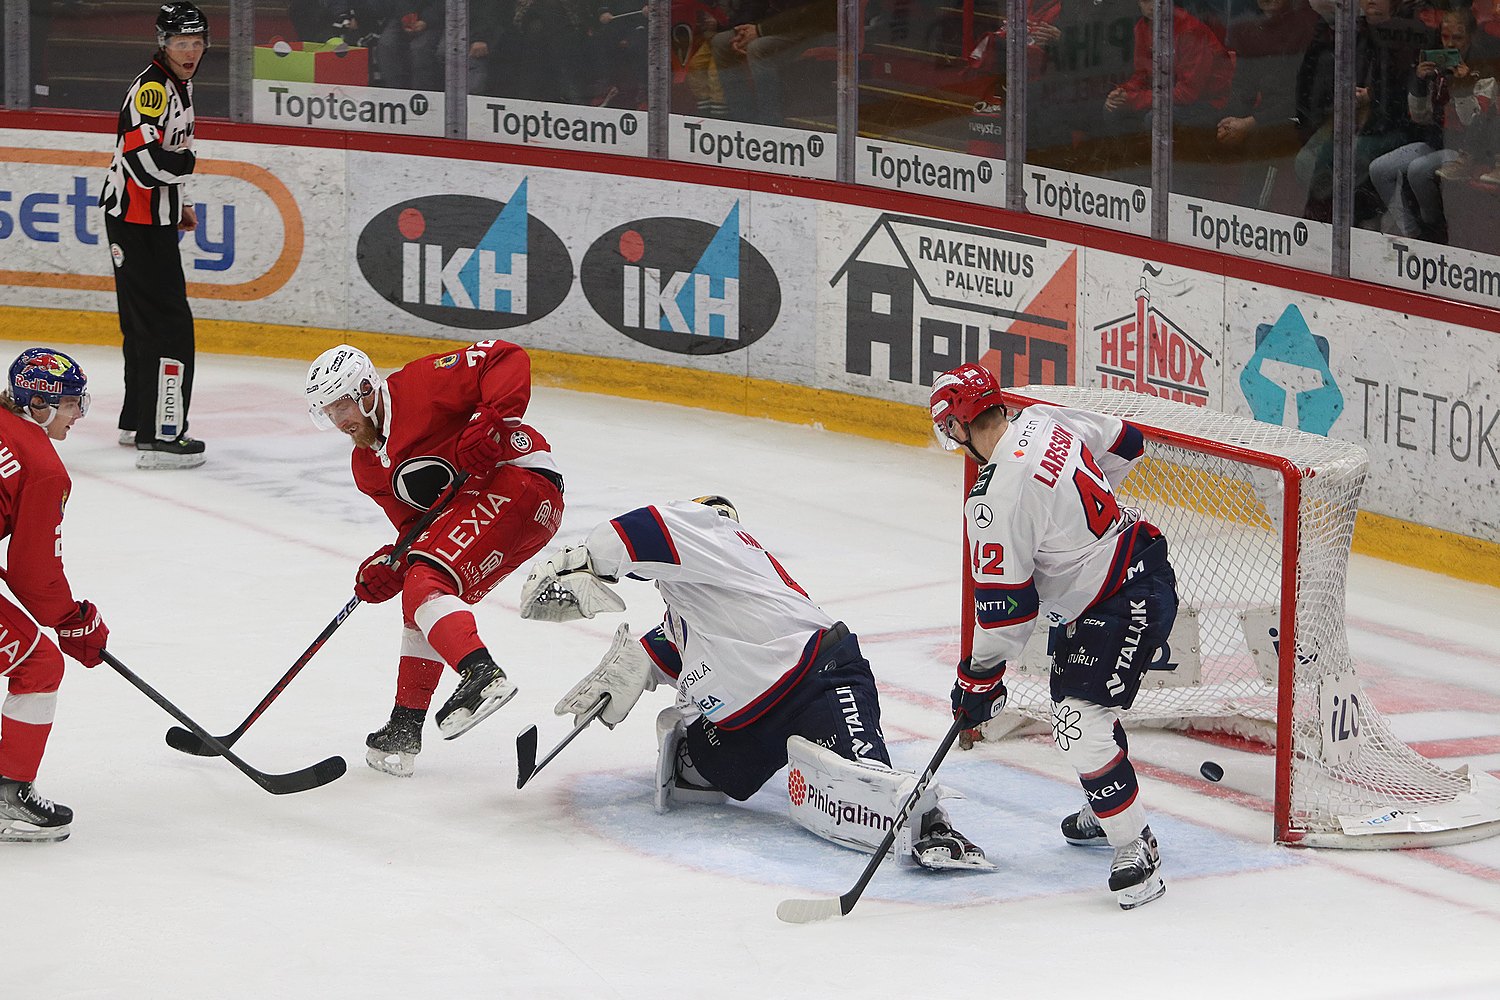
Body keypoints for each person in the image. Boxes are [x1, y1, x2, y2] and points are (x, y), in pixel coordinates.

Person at [517, 496, 991, 870]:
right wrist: (630, 668)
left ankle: (932, 826)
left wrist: (580, 560)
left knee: (863, 784)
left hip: (818, 679)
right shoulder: (694, 602)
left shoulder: (708, 530)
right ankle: (702, 748)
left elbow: (642, 530)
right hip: (753, 718)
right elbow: (665, 646)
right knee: (704, 775)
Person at [929, 363, 1179, 910]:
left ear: (965, 423)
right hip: (1122, 572)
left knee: (1077, 722)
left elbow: (1009, 615)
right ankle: (1106, 802)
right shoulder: (1044, 420)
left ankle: (1137, 845)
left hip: (1122, 593)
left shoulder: (993, 501)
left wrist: (977, 680)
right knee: (1083, 712)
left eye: (951, 428)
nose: (953, 440)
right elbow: (1128, 443)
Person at [305, 341, 564, 777]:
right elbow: (418, 528)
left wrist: (493, 419)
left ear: (368, 389)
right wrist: (390, 564)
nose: (340, 419)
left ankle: (482, 675)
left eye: (344, 404)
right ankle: (405, 725)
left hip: (520, 477)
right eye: (329, 411)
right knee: (418, 586)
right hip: (502, 509)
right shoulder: (366, 466)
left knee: (428, 577)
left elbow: (505, 357)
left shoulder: (422, 384)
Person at [0, 350, 112, 844]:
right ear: (39, 405)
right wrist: (72, 620)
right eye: (69, 405)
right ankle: (8, 799)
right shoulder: (42, 465)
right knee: (39, 666)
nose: (77, 415)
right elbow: (34, 571)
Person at [99, 2, 211, 470]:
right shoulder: (152, 90)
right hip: (137, 223)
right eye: (181, 42)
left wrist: (177, 201)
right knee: (169, 327)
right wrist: (187, 167)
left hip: (148, 220)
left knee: (143, 323)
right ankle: (164, 434)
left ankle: (137, 420)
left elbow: (159, 161)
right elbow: (145, 164)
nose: (191, 51)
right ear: (163, 44)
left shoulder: (176, 85)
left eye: (197, 42)